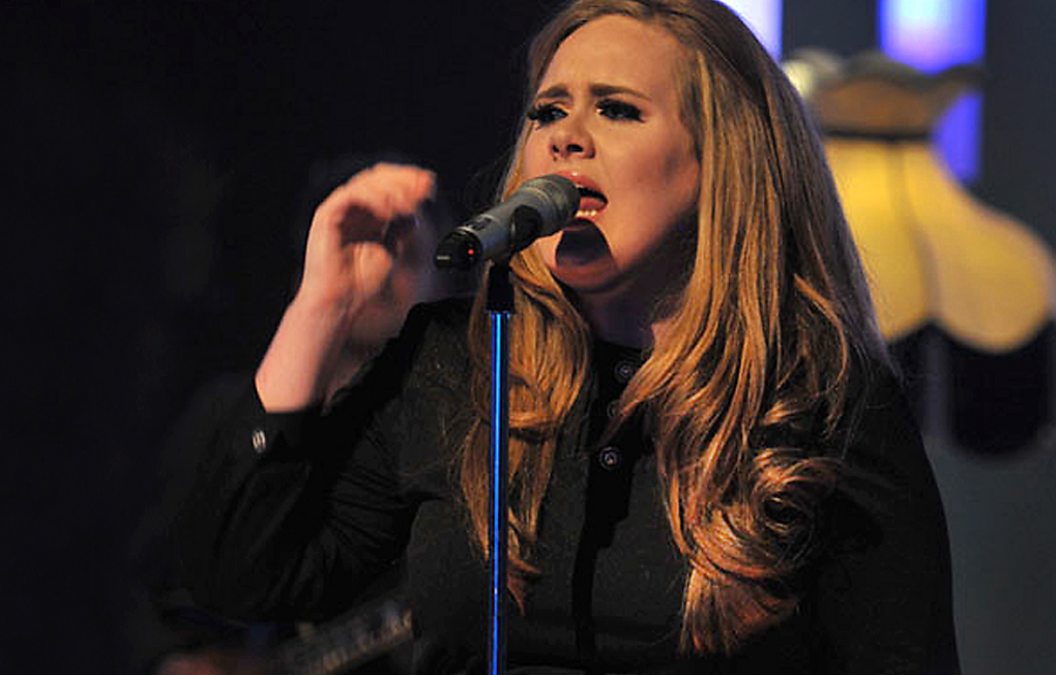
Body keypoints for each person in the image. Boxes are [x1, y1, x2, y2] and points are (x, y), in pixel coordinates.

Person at [148, 1, 960, 673]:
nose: (567, 135)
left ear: (722, 162)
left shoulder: (821, 400)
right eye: (547, 111)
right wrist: (319, 307)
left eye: (617, 108)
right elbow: (243, 573)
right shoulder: (456, 365)